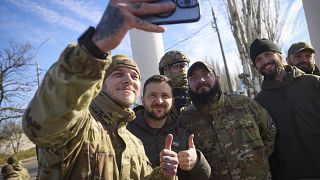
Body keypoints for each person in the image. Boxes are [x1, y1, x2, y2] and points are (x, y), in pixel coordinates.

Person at [22, 0, 180, 179]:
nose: (129, 79)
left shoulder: (134, 142)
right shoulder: (81, 125)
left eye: (135, 76)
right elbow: (43, 124)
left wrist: (164, 176)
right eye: (118, 74)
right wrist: (94, 48)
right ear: (102, 83)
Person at [178, 61, 276, 180]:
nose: (201, 80)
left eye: (206, 74)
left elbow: (270, 133)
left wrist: (259, 161)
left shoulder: (244, 103)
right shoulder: (185, 119)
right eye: (194, 78)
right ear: (189, 84)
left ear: (217, 77)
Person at [250, 38, 320, 179]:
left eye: (268, 54)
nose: (265, 61)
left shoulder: (313, 83)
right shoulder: (258, 103)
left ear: (280, 56)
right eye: (258, 59)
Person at [127, 74, 211, 179]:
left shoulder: (184, 133)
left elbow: (205, 177)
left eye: (165, 96)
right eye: (152, 95)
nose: (159, 101)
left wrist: (197, 162)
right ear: (143, 100)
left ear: (172, 102)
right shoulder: (127, 131)